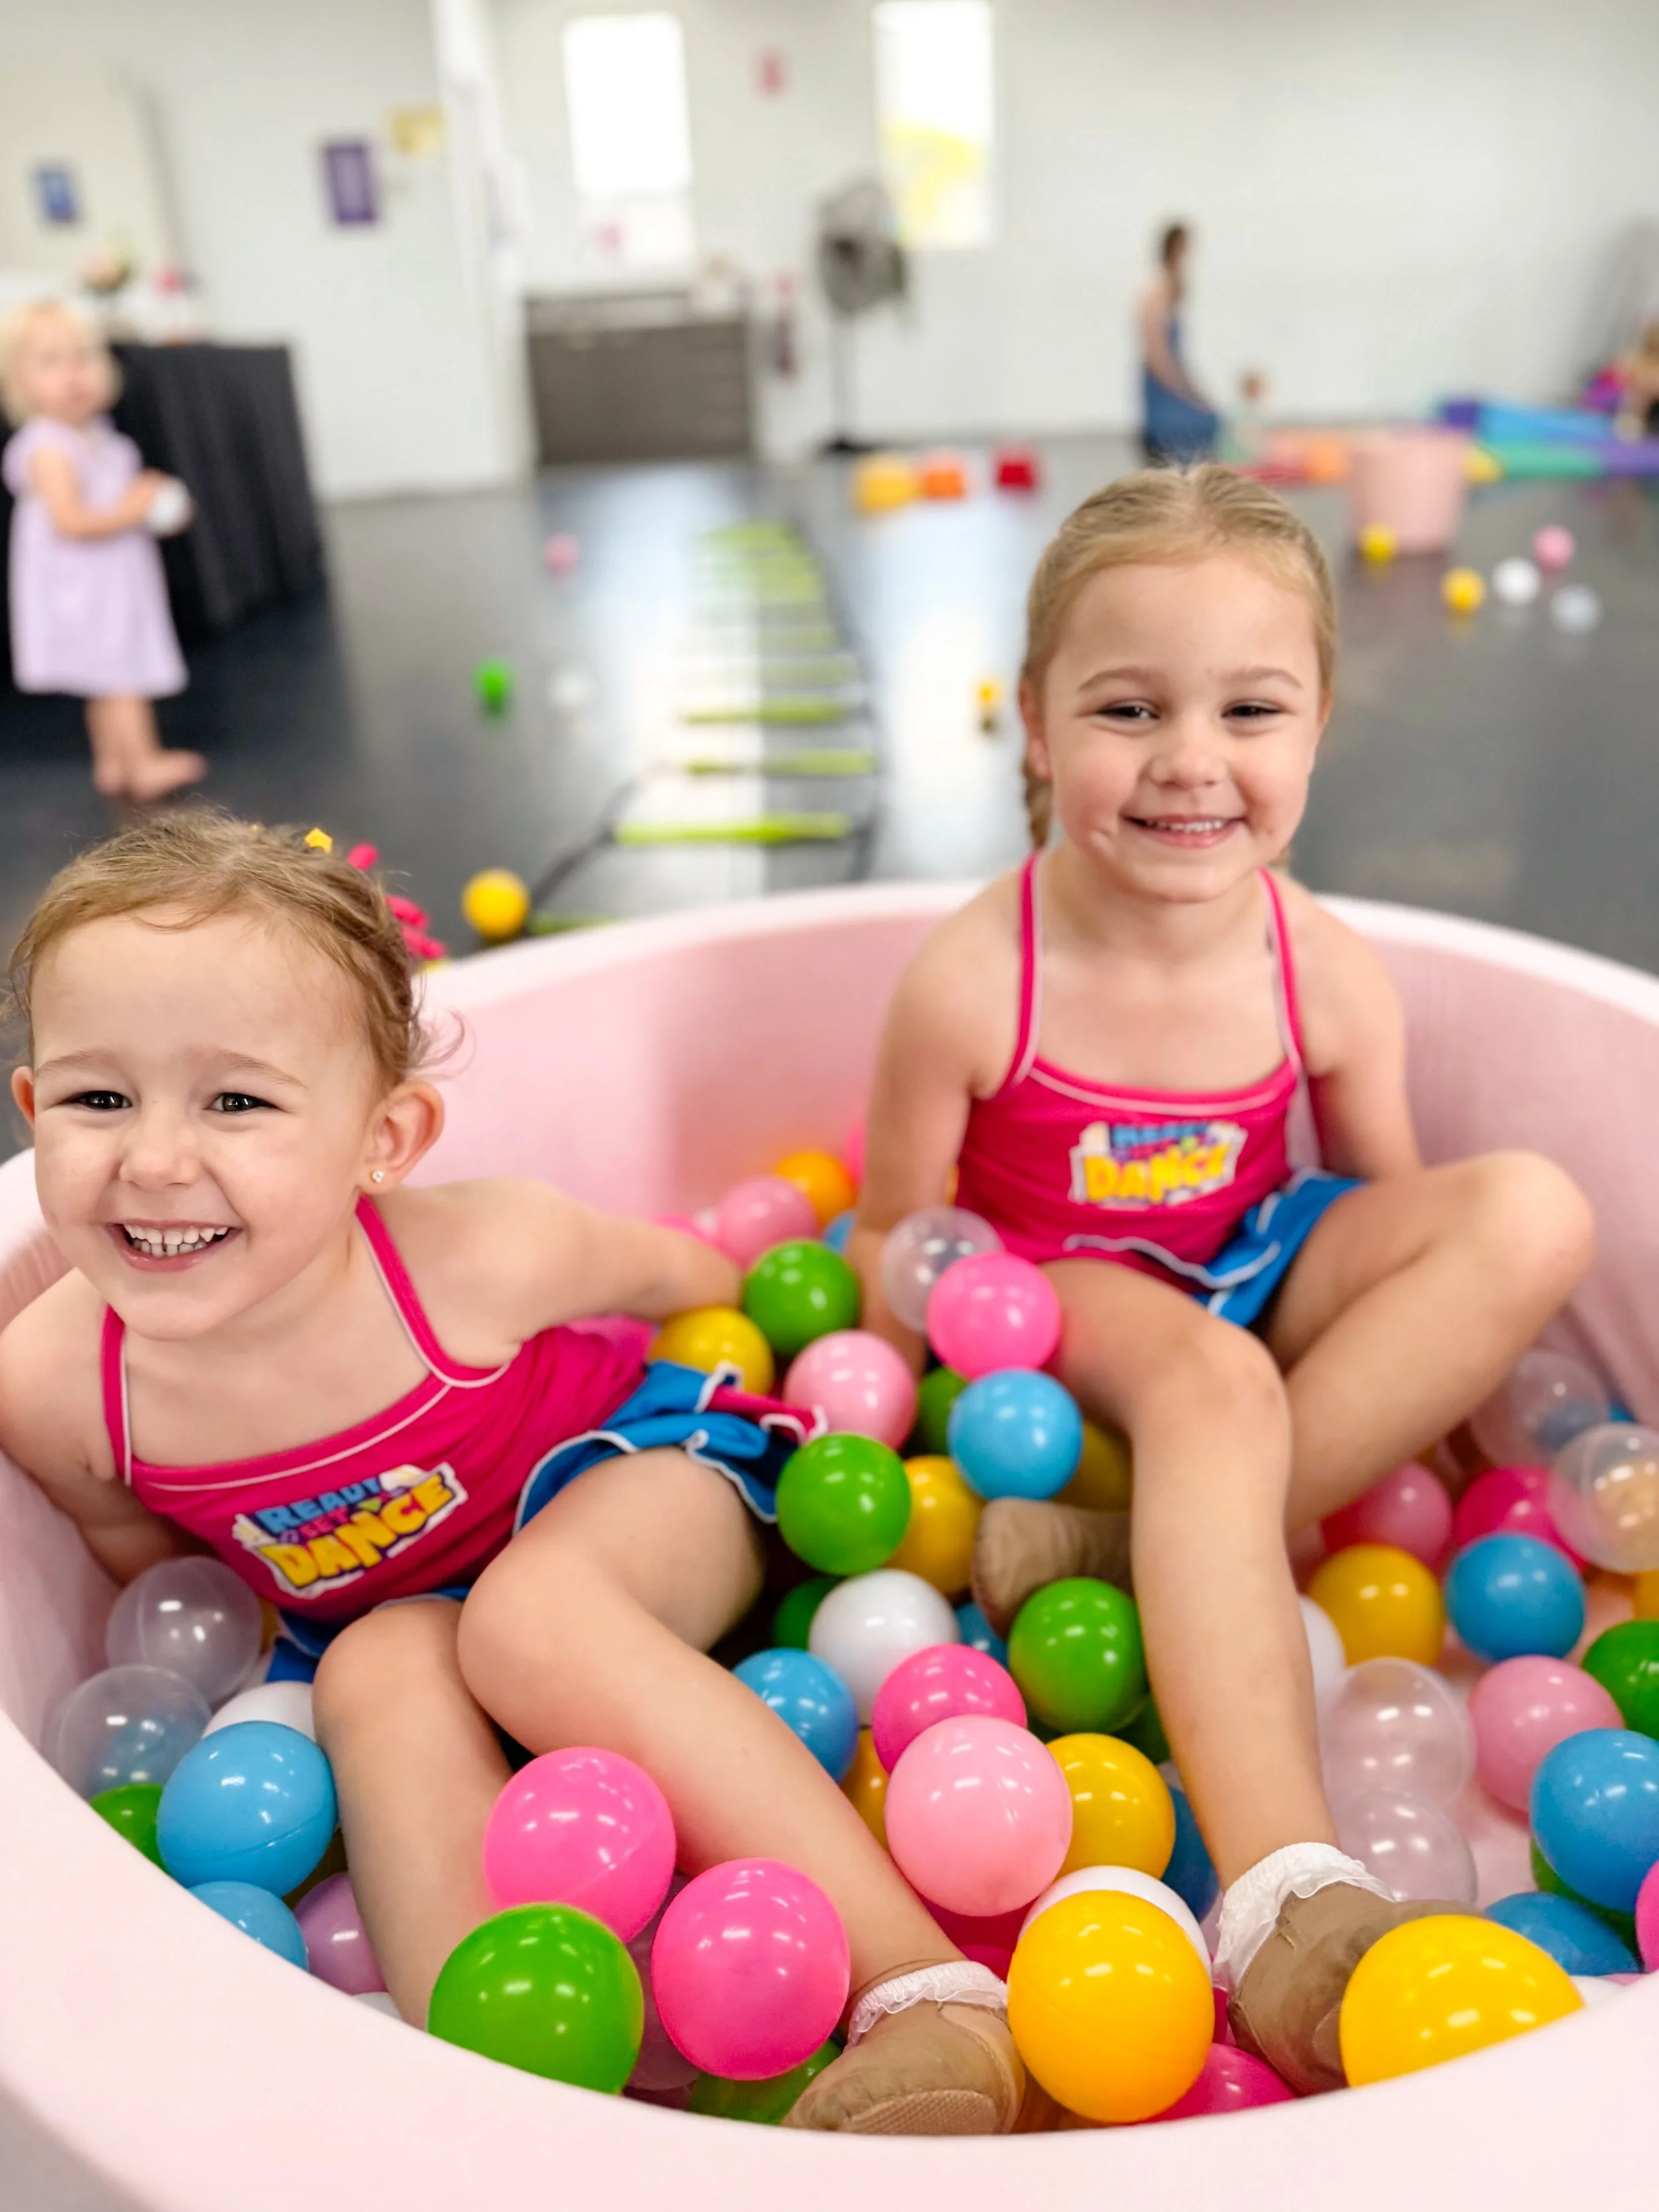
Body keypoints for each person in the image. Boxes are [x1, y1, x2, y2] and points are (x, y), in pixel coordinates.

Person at [0, 812, 1023, 2136]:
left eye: (236, 1099)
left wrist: (813, 1343)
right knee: (373, 1668)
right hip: (395, 1613)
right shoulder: (54, 1384)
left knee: (533, 1618)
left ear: (387, 1135)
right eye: (98, 1097)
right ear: (33, 1110)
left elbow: (690, 1284)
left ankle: (922, 1990)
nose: (150, 1159)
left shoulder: (475, 1258)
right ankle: (511, 2096)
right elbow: (162, 1566)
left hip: (637, 1479)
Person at [848, 466, 1593, 2097]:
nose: (1192, 760)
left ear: (1316, 725)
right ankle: (1282, 1896)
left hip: (1257, 1255)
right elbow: (892, 1240)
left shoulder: (1315, 960)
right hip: (1068, 1302)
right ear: (1036, 726)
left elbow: (1390, 1210)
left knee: (1531, 1212)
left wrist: (1456, 1421)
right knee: (1209, 1381)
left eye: (1249, 708)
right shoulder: (977, 980)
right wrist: (918, 1371)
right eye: (1128, 708)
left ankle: (1137, 1546)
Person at [1, 299, 206, 801]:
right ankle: (144, 763)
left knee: (105, 677)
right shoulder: (49, 446)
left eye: (82, 359)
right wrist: (135, 509)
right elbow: (71, 521)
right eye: (50, 363)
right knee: (121, 675)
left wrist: (153, 506)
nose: (73, 375)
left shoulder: (103, 439)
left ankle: (113, 763)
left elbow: (119, 502)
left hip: (112, 578)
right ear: (19, 382)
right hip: (84, 587)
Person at [1139, 224, 1220, 465]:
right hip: (1163, 387)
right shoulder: (1157, 290)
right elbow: (1157, 355)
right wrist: (1185, 390)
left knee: (1212, 418)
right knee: (1204, 422)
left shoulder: (1172, 288)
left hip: (1174, 379)